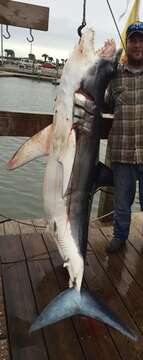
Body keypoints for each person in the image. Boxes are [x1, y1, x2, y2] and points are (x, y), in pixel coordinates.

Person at [105, 21, 143, 253]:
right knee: (121, 204)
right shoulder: (115, 75)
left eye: (141, 40)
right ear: (127, 43)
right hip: (121, 152)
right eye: (133, 40)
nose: (138, 44)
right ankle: (119, 237)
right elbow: (105, 101)